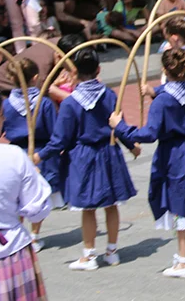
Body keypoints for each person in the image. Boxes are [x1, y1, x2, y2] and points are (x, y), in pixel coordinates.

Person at [110, 48, 185, 278]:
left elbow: (150, 133)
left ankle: (183, 261)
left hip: (174, 154)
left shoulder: (163, 101)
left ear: (164, 70)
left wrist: (120, 126)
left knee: (180, 203)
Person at [35, 48, 138, 270]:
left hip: (83, 157)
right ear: (98, 69)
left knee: (88, 208)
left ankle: (89, 255)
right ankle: (112, 251)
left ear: (74, 73)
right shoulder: (109, 95)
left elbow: (60, 140)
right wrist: (132, 145)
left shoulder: (71, 103)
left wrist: (39, 155)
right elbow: (118, 124)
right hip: (108, 152)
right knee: (111, 204)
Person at [0, 89, 51, 299]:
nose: (4, 120)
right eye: (1, 115)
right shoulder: (13, 156)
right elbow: (37, 210)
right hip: (11, 255)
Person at [1, 58, 60, 249]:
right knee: (36, 197)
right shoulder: (44, 103)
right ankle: (34, 235)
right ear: (35, 78)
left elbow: (0, 129)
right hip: (40, 154)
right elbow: (55, 132)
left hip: (15, 153)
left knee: (16, 195)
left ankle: (17, 231)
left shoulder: (6, 105)